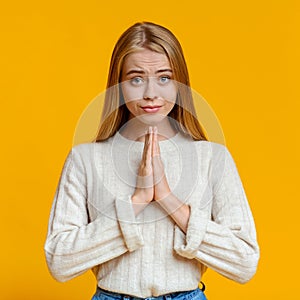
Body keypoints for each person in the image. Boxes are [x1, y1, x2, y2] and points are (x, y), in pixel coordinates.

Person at [44, 22, 260, 300]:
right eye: (135, 79)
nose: (150, 93)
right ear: (118, 86)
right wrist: (138, 200)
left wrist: (168, 199)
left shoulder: (212, 158)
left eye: (164, 78)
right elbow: (59, 261)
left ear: (179, 84)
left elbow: (244, 262)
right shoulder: (85, 159)